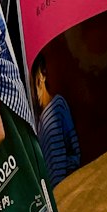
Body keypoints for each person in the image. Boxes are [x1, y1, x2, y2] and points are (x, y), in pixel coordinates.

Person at [32, 54, 81, 186]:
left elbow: (74, 148)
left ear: (41, 76)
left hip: (68, 185)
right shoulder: (36, 123)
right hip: (52, 192)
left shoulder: (58, 105)